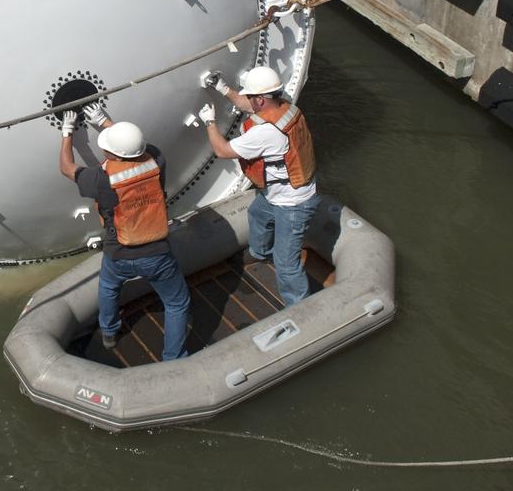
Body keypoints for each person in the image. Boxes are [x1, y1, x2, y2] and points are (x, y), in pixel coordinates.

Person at [58, 104, 191, 361]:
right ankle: (174, 359)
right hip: (157, 254)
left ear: (111, 152)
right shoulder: (157, 160)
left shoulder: (101, 179)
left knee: (108, 287)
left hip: (118, 252)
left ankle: (109, 333)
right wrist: (106, 122)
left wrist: (67, 132)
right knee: (176, 304)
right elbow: (135, 149)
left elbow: (67, 167)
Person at [198, 66, 320, 306]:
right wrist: (223, 88)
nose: (249, 100)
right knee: (257, 214)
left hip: (292, 203)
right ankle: (260, 254)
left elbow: (222, 151)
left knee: (286, 263)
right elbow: (247, 105)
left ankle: (300, 307)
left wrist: (210, 123)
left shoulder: (266, 133)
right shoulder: (285, 107)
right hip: (279, 193)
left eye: (252, 96)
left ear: (261, 99)